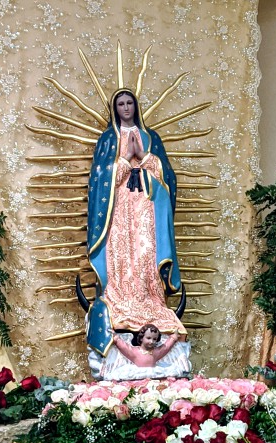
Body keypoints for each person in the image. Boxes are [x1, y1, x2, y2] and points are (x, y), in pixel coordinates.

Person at [85, 88, 187, 358]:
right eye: (121, 103)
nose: (126, 108)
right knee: (121, 253)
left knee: (145, 253)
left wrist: (145, 157)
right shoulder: (108, 138)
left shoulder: (151, 137)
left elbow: (169, 177)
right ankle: (121, 302)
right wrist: (123, 160)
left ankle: (149, 301)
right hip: (118, 208)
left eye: (130, 103)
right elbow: (98, 177)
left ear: (136, 106)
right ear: (114, 108)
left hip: (146, 207)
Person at [112, 324, 180, 368]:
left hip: (153, 375)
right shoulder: (135, 352)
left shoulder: (155, 353)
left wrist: (173, 338)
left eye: (154, 339)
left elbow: (166, 347)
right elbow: (125, 347)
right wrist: (117, 339)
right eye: (148, 338)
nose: (151, 341)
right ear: (141, 338)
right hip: (139, 376)